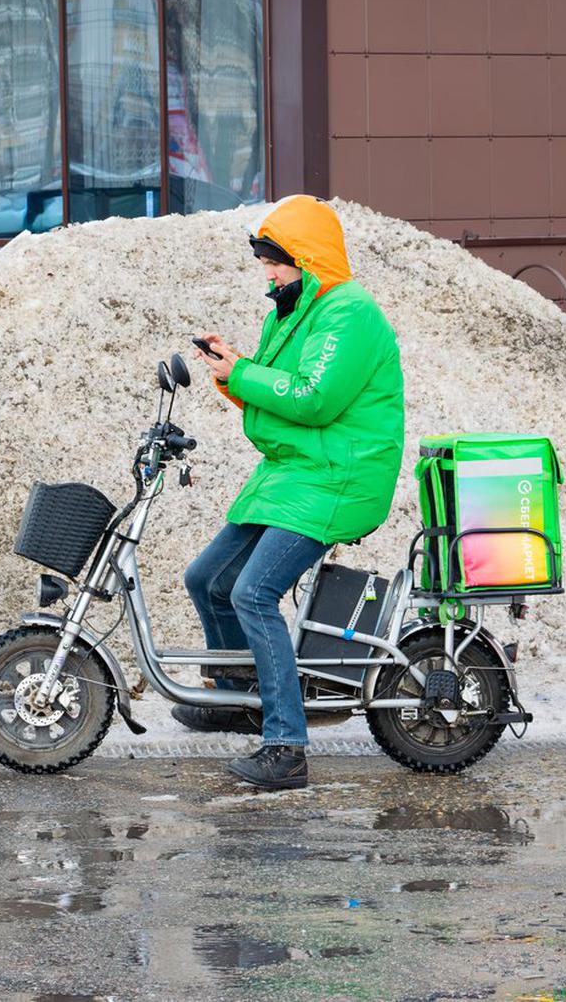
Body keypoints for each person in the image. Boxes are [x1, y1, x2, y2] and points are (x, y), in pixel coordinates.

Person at [173, 195, 405, 790]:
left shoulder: (349, 312)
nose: (269, 274)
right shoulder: (291, 311)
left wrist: (245, 374)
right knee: (207, 579)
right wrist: (233, 372)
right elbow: (277, 398)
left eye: (277, 262)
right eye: (265, 263)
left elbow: (312, 398)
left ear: (309, 258)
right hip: (295, 472)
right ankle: (236, 698)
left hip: (338, 478)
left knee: (253, 592)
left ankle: (286, 745)